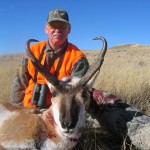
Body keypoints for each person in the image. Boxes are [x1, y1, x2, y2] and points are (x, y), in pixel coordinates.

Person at [10, 9, 150, 150]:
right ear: (46, 29)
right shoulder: (32, 52)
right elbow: (18, 84)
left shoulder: (77, 58)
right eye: (54, 26)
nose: (58, 29)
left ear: (69, 29)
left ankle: (140, 130)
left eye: (62, 26)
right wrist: (17, 112)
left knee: (99, 98)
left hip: (63, 115)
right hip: (29, 112)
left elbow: (78, 93)